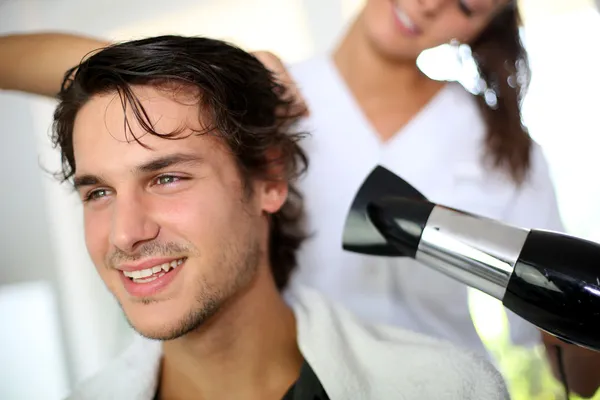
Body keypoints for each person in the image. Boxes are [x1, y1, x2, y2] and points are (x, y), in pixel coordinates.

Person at [1, 21, 599, 396]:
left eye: (169, 176)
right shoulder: (277, 93)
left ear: (270, 180)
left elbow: (570, 362)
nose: (126, 232)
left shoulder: (503, 149)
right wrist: (183, 77)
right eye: (97, 191)